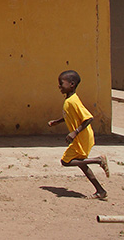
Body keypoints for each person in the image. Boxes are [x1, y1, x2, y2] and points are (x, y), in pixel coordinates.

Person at [48, 69, 110, 200]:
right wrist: (57, 122)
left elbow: (88, 118)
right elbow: (69, 116)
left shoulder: (73, 101)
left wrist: (74, 133)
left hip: (81, 137)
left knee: (66, 161)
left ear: (71, 84)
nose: (59, 86)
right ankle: (100, 191)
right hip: (80, 137)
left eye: (61, 83)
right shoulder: (69, 101)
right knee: (81, 163)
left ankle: (98, 160)